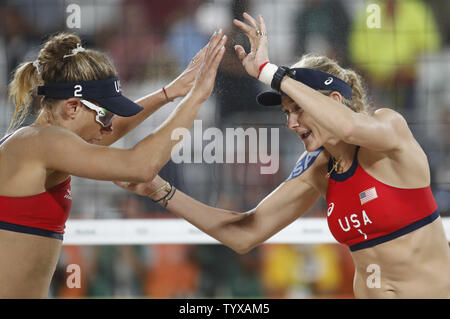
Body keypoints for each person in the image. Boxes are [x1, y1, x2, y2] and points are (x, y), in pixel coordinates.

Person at [116, 13, 450, 298]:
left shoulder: (389, 130)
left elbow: (349, 129)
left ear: (334, 100)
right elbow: (245, 234)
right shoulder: (320, 170)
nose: (291, 122)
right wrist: (159, 190)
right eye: (286, 112)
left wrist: (269, 72)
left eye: (298, 109)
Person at [0, 30, 227, 298]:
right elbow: (141, 166)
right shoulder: (44, 142)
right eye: (104, 116)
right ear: (72, 107)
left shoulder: (43, 143)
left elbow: (106, 132)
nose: (109, 129)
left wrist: (170, 92)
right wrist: (197, 96)